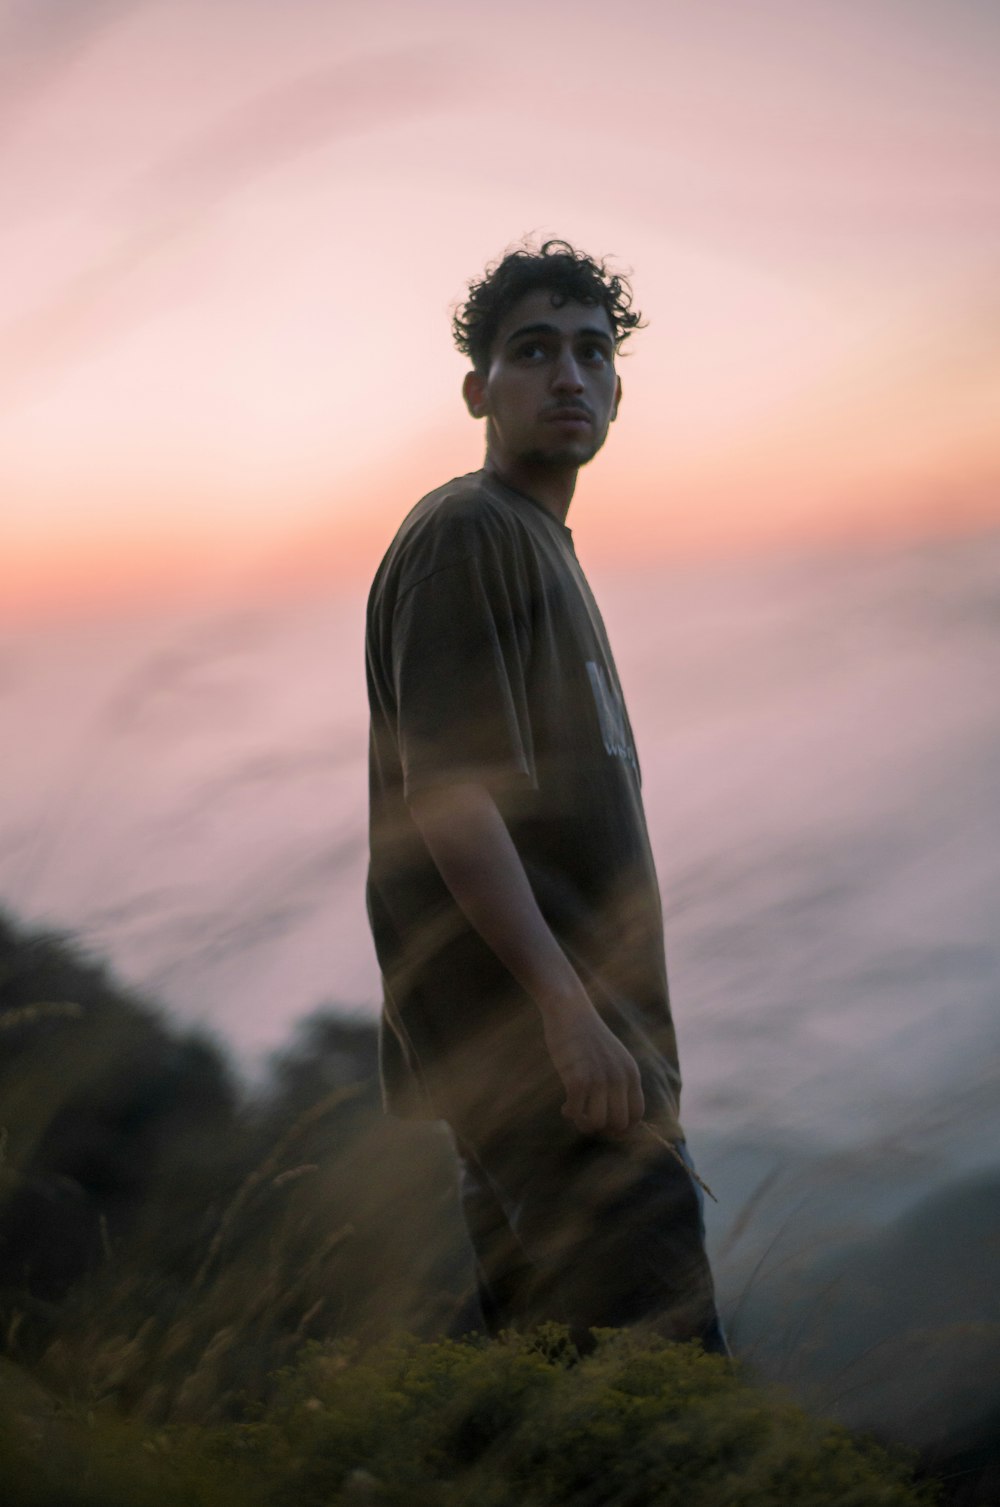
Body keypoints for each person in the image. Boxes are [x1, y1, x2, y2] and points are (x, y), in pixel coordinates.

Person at [365, 239, 727, 1353]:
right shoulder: (468, 535)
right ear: (480, 390)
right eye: (533, 352)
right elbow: (451, 800)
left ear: (617, 385)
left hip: (575, 1058)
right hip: (554, 1063)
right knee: (662, 1400)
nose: (567, 375)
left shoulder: (536, 541)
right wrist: (568, 1014)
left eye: (589, 352)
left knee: (559, 1396)